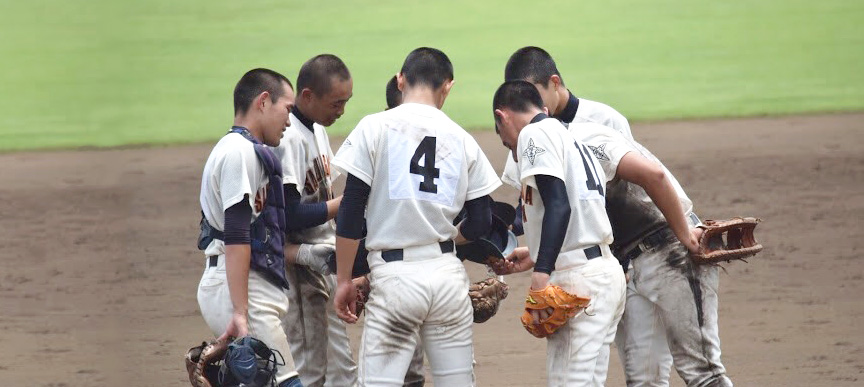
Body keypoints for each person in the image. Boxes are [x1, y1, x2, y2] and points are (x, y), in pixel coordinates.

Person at [502, 48, 732, 387]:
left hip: (667, 245)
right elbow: (547, 207)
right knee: (643, 379)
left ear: (553, 83)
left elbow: (649, 178)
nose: (528, 106)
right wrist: (538, 251)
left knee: (701, 371)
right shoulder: (530, 138)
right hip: (619, 263)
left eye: (532, 96)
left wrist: (686, 234)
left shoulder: (598, 121)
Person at [331, 47, 501, 386]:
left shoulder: (374, 127)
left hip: (395, 281)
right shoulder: (462, 138)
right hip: (447, 279)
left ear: (400, 79)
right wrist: (446, 237)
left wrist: (345, 279)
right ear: (447, 87)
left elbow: (350, 211)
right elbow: (483, 219)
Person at [491, 80, 627, 387]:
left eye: (506, 142)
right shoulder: (569, 134)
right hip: (605, 274)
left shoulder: (533, 134)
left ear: (503, 117)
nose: (513, 151)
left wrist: (542, 273)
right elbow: (574, 208)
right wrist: (536, 252)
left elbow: (559, 206)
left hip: (579, 279)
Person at [196, 68, 302, 387]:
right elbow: (237, 235)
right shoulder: (237, 153)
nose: (289, 120)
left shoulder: (248, 150)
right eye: (287, 109)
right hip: (236, 289)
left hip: (240, 285)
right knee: (286, 383)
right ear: (264, 101)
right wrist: (241, 312)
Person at [271, 54, 356, 387]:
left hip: (323, 261)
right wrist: (344, 205)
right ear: (307, 96)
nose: (341, 111)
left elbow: (323, 191)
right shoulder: (289, 137)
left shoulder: (317, 129)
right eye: (336, 103)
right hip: (300, 268)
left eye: (346, 103)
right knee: (309, 368)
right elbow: (289, 214)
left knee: (340, 367)